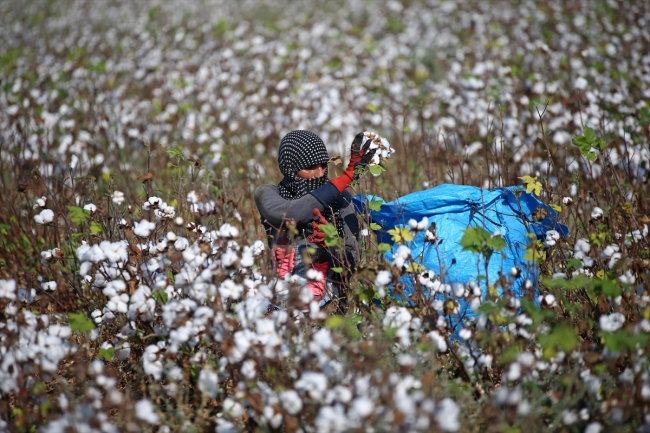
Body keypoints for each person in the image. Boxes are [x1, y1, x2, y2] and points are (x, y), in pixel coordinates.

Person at [254, 130, 376, 306]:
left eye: (323, 165)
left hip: (330, 302)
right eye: (310, 168)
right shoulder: (267, 194)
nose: (320, 173)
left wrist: (331, 248)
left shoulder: (341, 199)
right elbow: (292, 214)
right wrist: (347, 177)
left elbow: (352, 262)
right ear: (290, 170)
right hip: (281, 301)